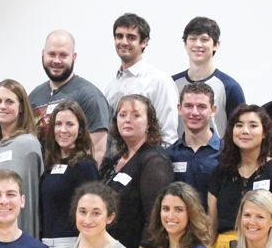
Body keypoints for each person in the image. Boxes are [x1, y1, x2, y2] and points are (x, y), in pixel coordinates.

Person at [207, 104, 272, 248]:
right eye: (239, 125)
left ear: (264, 133)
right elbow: (211, 224)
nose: (245, 131)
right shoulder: (221, 171)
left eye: (253, 125)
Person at [100, 94, 173, 248]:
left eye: (136, 115)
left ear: (149, 123)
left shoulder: (154, 160)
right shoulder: (113, 160)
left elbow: (154, 220)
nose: (127, 120)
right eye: (122, 115)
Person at [29, 30, 110, 163]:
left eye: (63, 55)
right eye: (51, 54)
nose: (56, 61)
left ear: (74, 57)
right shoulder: (34, 97)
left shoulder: (89, 96)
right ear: (43, 54)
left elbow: (98, 151)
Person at [105, 13, 179, 146]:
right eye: (119, 36)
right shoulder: (111, 86)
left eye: (131, 37)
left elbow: (168, 136)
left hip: (149, 163)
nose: (124, 42)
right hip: (116, 163)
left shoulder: (159, 81)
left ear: (144, 42)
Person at [0, 80, 44, 238]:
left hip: (18, 237)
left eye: (9, 101)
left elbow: (29, 200)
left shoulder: (27, 145)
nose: (2, 106)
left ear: (21, 107)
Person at [172, 16, 244, 138]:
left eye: (204, 39)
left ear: (216, 45)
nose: (198, 44)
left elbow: (240, 130)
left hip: (218, 156)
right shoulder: (172, 84)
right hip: (178, 156)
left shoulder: (229, 87)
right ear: (185, 44)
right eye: (193, 39)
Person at [40, 101, 100, 245]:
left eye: (70, 124)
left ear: (80, 129)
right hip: (47, 242)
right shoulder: (49, 164)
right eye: (58, 124)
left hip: (73, 243)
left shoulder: (85, 165)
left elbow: (94, 210)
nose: (63, 130)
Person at [166, 82, 222, 202]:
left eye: (201, 107)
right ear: (179, 109)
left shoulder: (227, 153)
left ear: (213, 110)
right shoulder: (168, 155)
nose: (194, 112)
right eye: (188, 106)